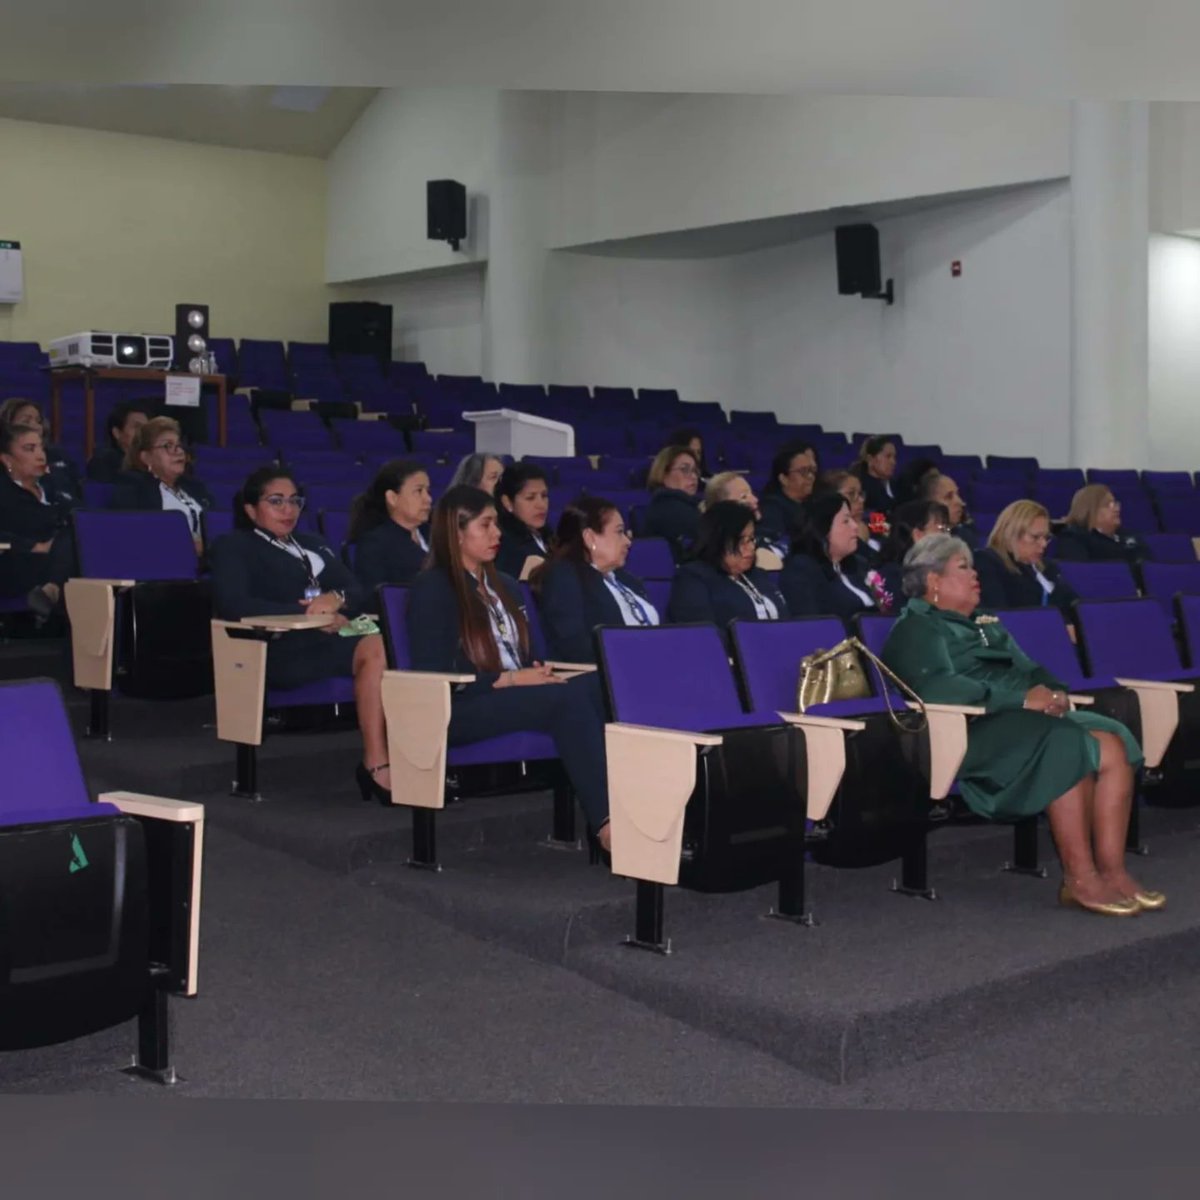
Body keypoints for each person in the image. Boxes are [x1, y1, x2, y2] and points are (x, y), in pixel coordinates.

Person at [882, 534, 1158, 916]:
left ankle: (1112, 872)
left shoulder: (985, 622)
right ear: (933, 581)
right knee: (1066, 741)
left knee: (1113, 740)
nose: (976, 574)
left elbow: (1029, 668)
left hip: (1020, 718)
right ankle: (1079, 879)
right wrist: (1023, 699)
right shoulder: (916, 628)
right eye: (963, 567)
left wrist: (1055, 692)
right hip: (968, 730)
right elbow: (938, 688)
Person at [406, 485, 613, 850]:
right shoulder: (433, 588)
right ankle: (608, 823)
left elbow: (523, 656)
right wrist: (510, 679)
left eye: (496, 524)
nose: (497, 533)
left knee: (603, 686)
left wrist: (535, 673)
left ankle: (645, 808)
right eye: (485, 525)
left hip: (513, 696)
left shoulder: (505, 586)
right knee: (563, 701)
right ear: (456, 532)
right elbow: (433, 674)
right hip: (461, 705)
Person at [209, 467, 391, 803]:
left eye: (294, 501)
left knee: (397, 644)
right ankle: (376, 764)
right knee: (379, 648)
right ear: (251, 509)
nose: (288, 509)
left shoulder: (313, 544)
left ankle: (418, 759)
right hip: (281, 647)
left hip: (331, 637)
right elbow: (234, 604)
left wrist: (336, 601)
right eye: (276, 501)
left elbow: (358, 590)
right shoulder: (234, 546)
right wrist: (306, 614)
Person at [534, 496, 659, 663]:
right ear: (590, 538)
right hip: (609, 671)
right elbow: (573, 645)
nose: (627, 541)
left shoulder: (627, 580)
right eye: (619, 532)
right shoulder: (564, 576)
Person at [0, 422, 78, 617]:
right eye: (29, 449)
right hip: (19, 563)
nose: (40, 455)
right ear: (7, 459)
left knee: (78, 530)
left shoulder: (56, 489)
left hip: (59, 559)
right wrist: (34, 546)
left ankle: (51, 589)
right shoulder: (4, 493)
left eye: (41, 448)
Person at [668, 501, 787, 627]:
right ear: (717, 541)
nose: (751, 547)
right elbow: (701, 632)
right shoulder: (693, 578)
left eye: (751, 539)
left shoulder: (758, 575)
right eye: (742, 541)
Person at [111, 416, 213, 553]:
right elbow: (136, 537)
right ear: (146, 457)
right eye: (168, 446)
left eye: (179, 445)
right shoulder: (134, 490)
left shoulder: (196, 488)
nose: (179, 451)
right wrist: (189, 545)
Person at [779, 492, 878, 618]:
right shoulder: (801, 571)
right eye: (846, 521)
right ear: (823, 529)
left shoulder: (857, 565)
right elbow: (813, 625)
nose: (855, 526)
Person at [974, 500, 1079, 613]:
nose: (1044, 544)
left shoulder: (1048, 568)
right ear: (1011, 534)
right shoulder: (987, 562)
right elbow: (998, 612)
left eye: (1046, 537)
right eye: (1035, 537)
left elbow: (1075, 607)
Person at [349, 459, 433, 590]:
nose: (428, 499)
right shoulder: (375, 544)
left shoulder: (438, 534)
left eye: (428, 491)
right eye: (419, 491)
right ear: (392, 498)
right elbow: (373, 594)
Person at [871, 499, 953, 615]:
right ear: (918, 535)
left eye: (948, 529)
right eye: (941, 529)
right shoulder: (891, 577)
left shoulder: (948, 573)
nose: (948, 537)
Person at [0, 397, 82, 493]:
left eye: (38, 421)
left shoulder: (58, 455)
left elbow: (76, 491)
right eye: (26, 421)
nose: (36, 426)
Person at [1055, 484, 1151, 564]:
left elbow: (1149, 567)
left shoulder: (1130, 536)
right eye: (1107, 505)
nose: (1116, 509)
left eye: (1115, 503)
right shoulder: (1074, 538)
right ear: (1089, 510)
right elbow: (1080, 572)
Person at [641, 444, 702, 557]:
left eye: (695, 471)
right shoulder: (668, 509)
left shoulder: (689, 505)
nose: (693, 476)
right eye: (685, 469)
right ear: (664, 474)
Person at [758, 440, 819, 554]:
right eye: (803, 471)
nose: (811, 476)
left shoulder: (813, 504)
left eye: (812, 471)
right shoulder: (771, 508)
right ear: (784, 479)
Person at [495, 462, 553, 579]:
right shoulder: (506, 546)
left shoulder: (549, 536)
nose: (541, 505)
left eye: (544, 496)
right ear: (507, 502)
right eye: (530, 498)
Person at [819, 468, 884, 561]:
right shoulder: (828, 535)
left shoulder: (872, 520)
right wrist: (860, 542)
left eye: (860, 494)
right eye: (851, 494)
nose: (861, 500)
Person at [86, 400, 153, 483]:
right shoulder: (102, 463)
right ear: (117, 433)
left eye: (146, 427)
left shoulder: (153, 462)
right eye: (136, 427)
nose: (143, 432)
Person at [917, 469, 977, 548]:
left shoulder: (965, 537)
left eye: (958, 494)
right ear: (929, 504)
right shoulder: (920, 544)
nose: (960, 502)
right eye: (948, 497)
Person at [850, 435, 898, 516]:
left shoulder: (898, 484)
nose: (893, 462)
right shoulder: (861, 488)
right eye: (888, 456)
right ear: (870, 459)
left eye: (894, 457)